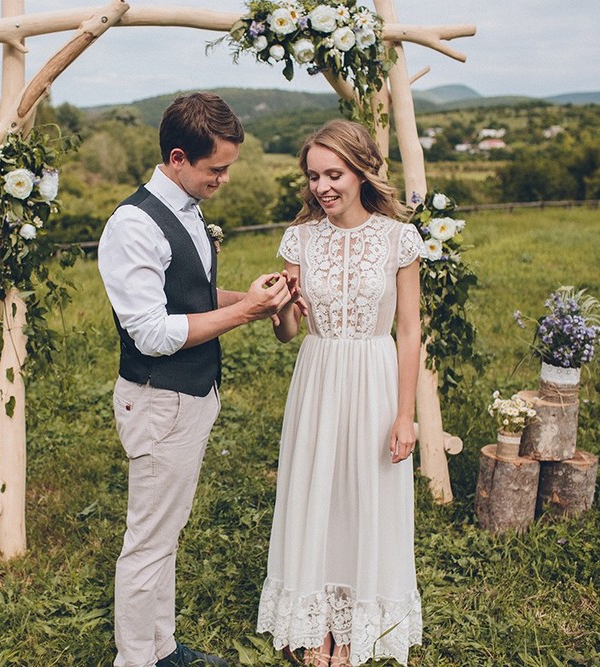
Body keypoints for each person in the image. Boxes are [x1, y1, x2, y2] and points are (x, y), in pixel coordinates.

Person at [98, 92, 297, 667]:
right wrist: (247, 314)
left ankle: (161, 648)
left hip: (189, 398)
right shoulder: (133, 225)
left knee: (165, 536)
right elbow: (152, 334)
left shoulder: (185, 206)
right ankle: (136, 659)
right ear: (179, 157)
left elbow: (192, 300)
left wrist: (255, 296)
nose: (225, 179)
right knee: (147, 544)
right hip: (159, 402)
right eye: (217, 169)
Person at [255, 119, 425, 667]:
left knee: (366, 493)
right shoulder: (300, 239)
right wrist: (280, 308)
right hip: (319, 373)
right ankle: (315, 619)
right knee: (317, 491)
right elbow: (287, 333)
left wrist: (406, 415)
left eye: (335, 174)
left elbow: (409, 332)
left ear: (362, 171)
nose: (323, 187)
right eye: (314, 176)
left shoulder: (399, 237)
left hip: (376, 374)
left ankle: (355, 622)